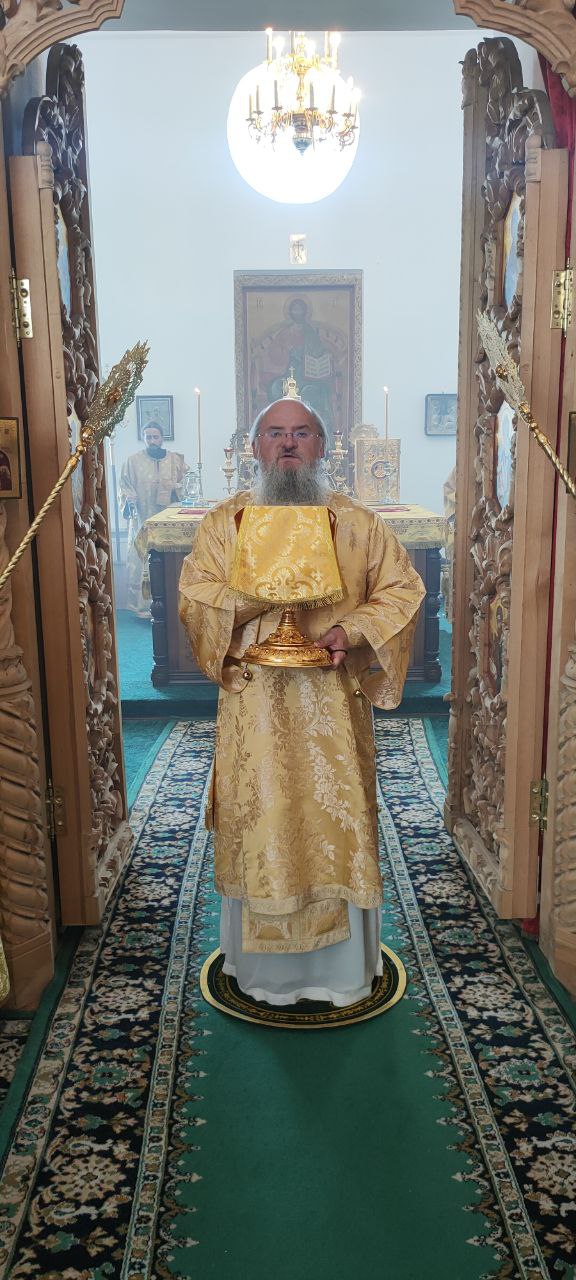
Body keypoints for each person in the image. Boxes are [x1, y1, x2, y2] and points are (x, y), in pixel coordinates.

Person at [179, 396, 425, 1008]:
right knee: (261, 821)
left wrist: (352, 630)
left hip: (331, 714)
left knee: (331, 821)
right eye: (274, 433)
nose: (287, 444)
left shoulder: (357, 524)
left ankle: (341, 973)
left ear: (323, 445)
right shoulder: (225, 525)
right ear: (254, 447)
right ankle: (262, 972)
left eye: (301, 432)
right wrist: (265, 590)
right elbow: (195, 597)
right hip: (255, 711)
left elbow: (402, 589)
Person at [119, 423, 187, 616]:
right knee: (142, 560)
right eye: (148, 437)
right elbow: (124, 486)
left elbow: (187, 483)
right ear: (144, 439)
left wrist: (173, 487)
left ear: (162, 438)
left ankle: (172, 604)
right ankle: (143, 607)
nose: (152, 441)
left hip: (170, 522)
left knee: (169, 560)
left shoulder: (175, 460)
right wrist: (128, 498)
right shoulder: (132, 461)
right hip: (143, 520)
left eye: (155, 437)